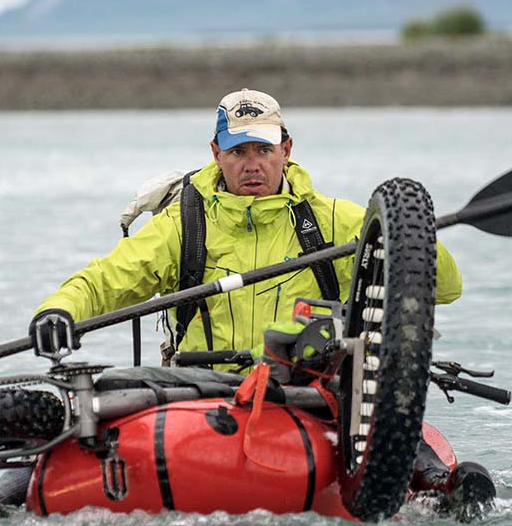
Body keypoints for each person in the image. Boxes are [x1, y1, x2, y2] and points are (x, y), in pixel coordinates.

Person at [29, 88, 463, 362]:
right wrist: (58, 310)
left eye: (263, 149)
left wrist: (409, 230)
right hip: (203, 398)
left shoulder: (337, 221)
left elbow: (446, 289)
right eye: (238, 152)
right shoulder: (184, 226)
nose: (252, 165)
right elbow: (106, 280)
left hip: (303, 394)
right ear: (217, 154)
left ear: (286, 149)